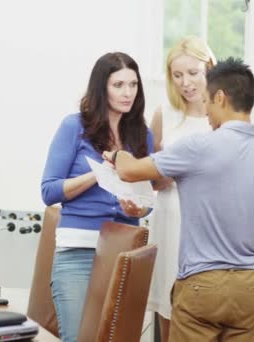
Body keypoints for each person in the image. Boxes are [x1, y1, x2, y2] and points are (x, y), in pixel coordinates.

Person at [103, 57, 254, 341]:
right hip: (250, 288)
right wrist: (245, 225)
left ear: (220, 98)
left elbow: (131, 171)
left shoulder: (198, 147)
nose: (205, 110)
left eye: (207, 101)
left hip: (201, 285)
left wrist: (117, 155)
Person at [41, 52, 154, 342]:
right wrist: (98, 174)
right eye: (118, 85)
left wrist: (135, 209)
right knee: (80, 338)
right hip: (78, 252)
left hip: (124, 253)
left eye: (133, 84)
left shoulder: (143, 135)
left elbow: (144, 201)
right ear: (101, 87)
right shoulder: (74, 127)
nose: (127, 92)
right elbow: (49, 190)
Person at [146, 36, 216, 342]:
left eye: (193, 73)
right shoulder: (165, 114)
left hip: (207, 227)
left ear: (209, 69)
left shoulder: (223, 117)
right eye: (178, 75)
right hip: (169, 221)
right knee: (167, 305)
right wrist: (177, 170)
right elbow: (152, 178)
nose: (186, 83)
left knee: (205, 313)